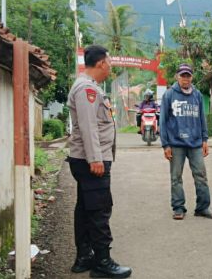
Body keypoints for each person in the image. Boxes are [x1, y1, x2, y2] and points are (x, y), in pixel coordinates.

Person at [66, 45, 132, 278]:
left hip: (87, 159)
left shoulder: (89, 87)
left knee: (86, 208)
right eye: (110, 63)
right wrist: (95, 159)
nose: (110, 67)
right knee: (99, 209)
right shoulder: (86, 89)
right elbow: (87, 126)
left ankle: (84, 257)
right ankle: (103, 262)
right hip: (90, 160)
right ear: (101, 63)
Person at [160, 63, 212, 220]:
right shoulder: (169, 95)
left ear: (191, 77)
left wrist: (205, 140)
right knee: (176, 178)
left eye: (188, 75)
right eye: (182, 75)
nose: (185, 78)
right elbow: (163, 121)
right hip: (176, 144)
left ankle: (203, 207)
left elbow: (202, 118)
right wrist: (165, 144)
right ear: (177, 77)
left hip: (195, 143)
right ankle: (178, 208)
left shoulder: (197, 95)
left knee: (201, 176)